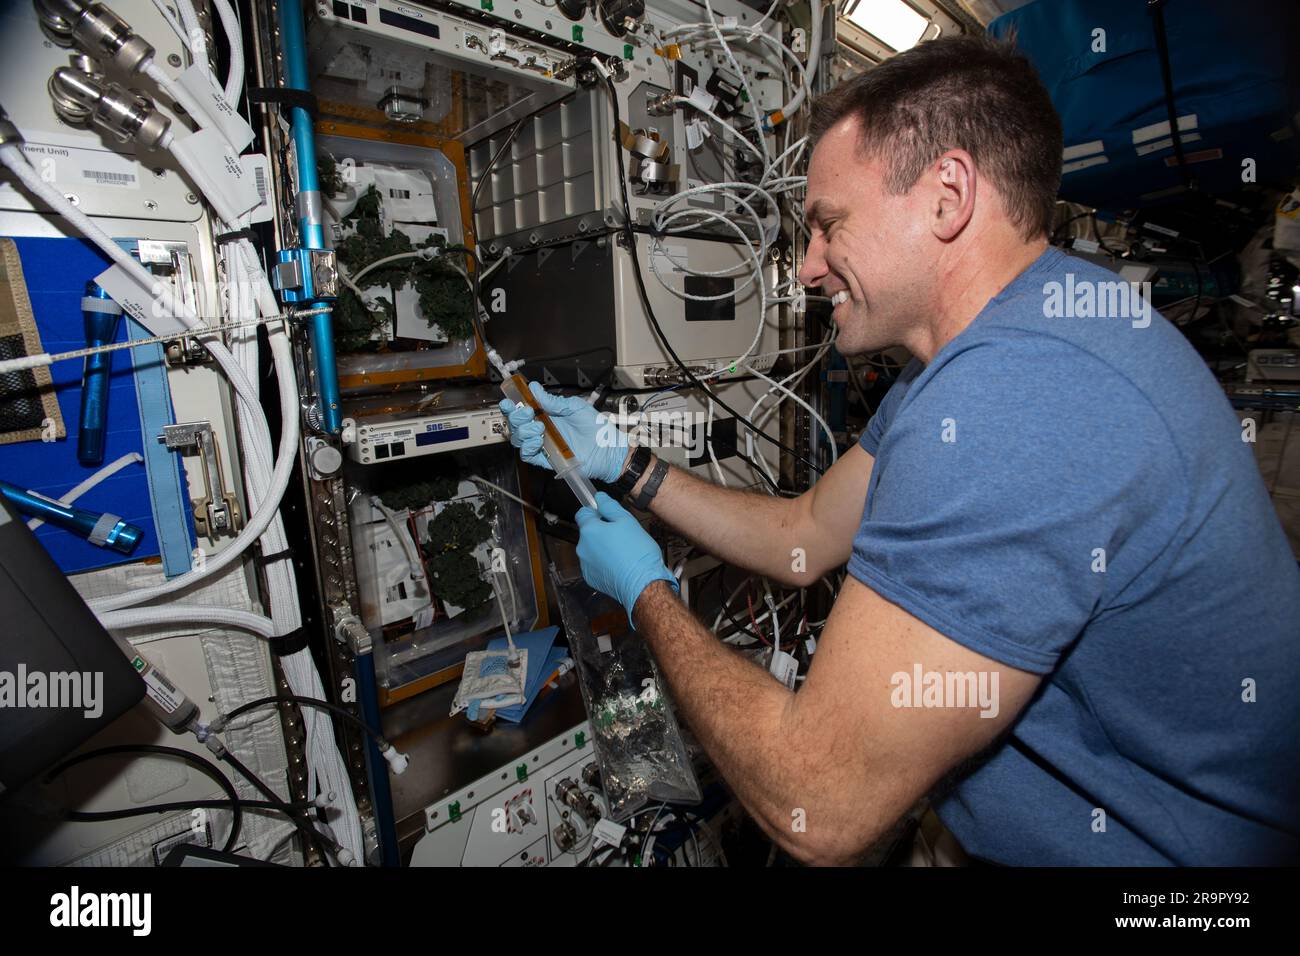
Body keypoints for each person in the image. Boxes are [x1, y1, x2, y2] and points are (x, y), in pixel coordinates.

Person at [499, 35, 1300, 866]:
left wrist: (646, 596)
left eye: (827, 225)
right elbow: (805, 534)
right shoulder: (995, 349)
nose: (807, 267)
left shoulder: (1019, 394)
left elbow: (819, 800)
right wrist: (626, 463)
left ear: (947, 195)